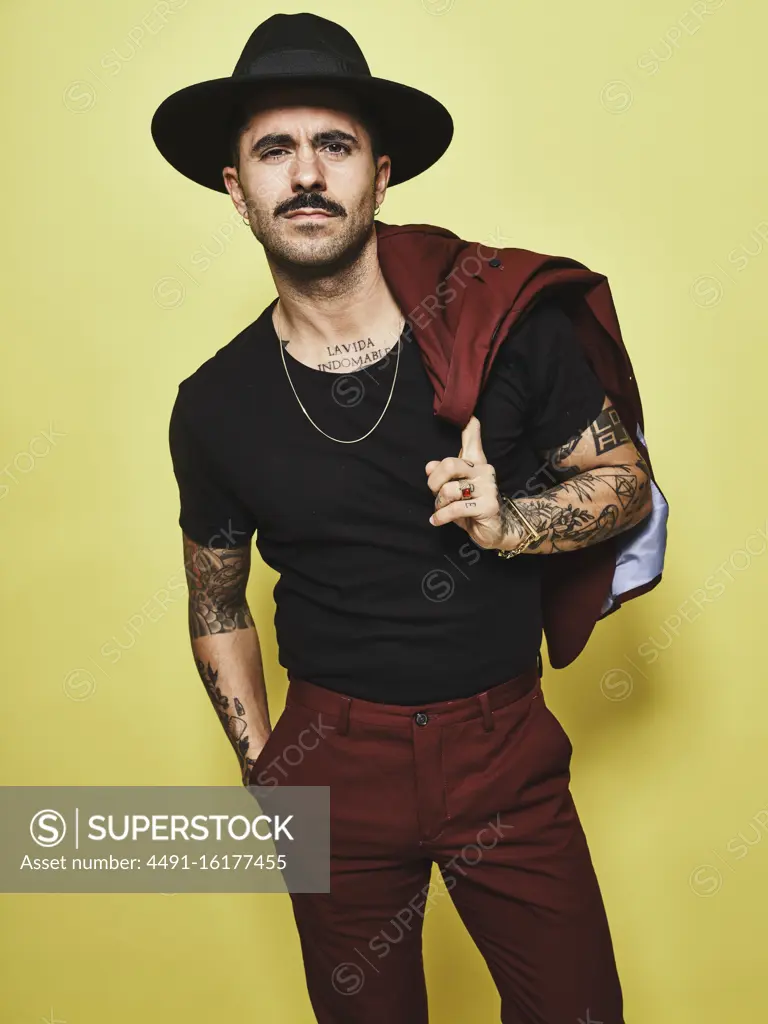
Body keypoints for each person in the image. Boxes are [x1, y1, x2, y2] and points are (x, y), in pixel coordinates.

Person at [155, 13, 653, 1023]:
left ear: (379, 176)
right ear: (235, 186)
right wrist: (268, 772)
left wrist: (508, 521)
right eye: (274, 150)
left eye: (333, 146)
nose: (305, 174)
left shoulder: (500, 324)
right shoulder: (213, 404)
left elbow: (625, 479)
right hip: (331, 760)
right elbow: (217, 603)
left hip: (502, 749)